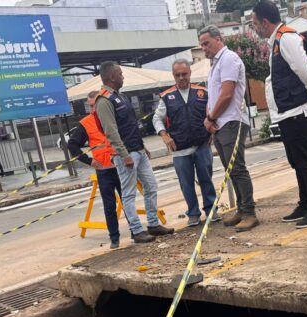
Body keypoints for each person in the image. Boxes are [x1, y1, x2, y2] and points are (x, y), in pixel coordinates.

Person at [251, 0, 307, 228]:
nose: (254, 28)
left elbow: (304, 69)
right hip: (287, 112)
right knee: (296, 162)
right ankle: (304, 204)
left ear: (265, 22)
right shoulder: (276, 40)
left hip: (298, 110)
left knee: (305, 161)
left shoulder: (286, 38)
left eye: (255, 23)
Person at [94, 61, 173, 243]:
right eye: (120, 74)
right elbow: (111, 131)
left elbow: (130, 125)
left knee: (151, 186)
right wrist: (124, 155)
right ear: (112, 77)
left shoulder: (120, 96)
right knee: (128, 193)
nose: (123, 77)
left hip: (138, 149)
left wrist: (142, 146)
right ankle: (137, 230)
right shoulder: (104, 101)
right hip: (125, 154)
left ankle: (153, 224)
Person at [199, 25, 259, 232]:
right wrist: (209, 118)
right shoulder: (216, 64)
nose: (203, 48)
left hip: (231, 121)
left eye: (206, 43)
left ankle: (249, 212)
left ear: (218, 39)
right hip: (220, 123)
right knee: (230, 169)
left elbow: (227, 94)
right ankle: (242, 209)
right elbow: (214, 96)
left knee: (237, 168)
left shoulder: (228, 59)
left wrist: (210, 117)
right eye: (201, 45)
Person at [153, 59, 219, 227]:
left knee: (206, 179)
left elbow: (212, 112)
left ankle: (211, 210)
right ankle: (193, 213)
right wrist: (164, 135)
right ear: (173, 75)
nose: (181, 77)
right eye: (178, 75)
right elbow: (157, 118)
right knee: (186, 184)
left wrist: (212, 128)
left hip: (202, 145)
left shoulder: (203, 92)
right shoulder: (166, 97)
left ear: (190, 73)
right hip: (180, 149)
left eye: (184, 74)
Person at [68, 91, 127, 247]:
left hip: (121, 166)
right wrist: (88, 160)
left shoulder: (113, 116)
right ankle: (114, 238)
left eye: (95, 105)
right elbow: (72, 145)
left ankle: (136, 231)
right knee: (109, 205)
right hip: (104, 170)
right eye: (91, 106)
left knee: (127, 200)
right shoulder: (86, 123)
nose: (93, 109)